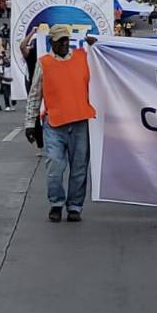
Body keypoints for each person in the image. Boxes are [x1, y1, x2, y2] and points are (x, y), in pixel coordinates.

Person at [24, 25, 99, 223]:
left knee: (79, 167)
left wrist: (99, 45)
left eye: (66, 40)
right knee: (55, 167)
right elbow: (34, 94)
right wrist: (30, 123)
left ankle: (74, 206)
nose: (65, 43)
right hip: (54, 124)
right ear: (52, 43)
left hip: (80, 122)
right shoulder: (44, 63)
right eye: (60, 41)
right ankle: (56, 203)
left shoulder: (83, 56)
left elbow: (104, 58)